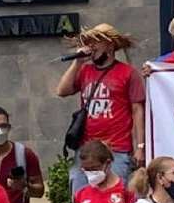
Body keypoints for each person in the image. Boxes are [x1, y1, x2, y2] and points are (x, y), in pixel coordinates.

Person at [56, 23, 146, 193]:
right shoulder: (84, 70)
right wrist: (77, 63)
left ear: (110, 45)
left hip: (117, 148)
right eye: (89, 42)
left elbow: (137, 110)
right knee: (80, 194)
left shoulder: (128, 73)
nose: (91, 46)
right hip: (87, 148)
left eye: (96, 42)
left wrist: (140, 147)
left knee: (115, 196)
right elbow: (62, 91)